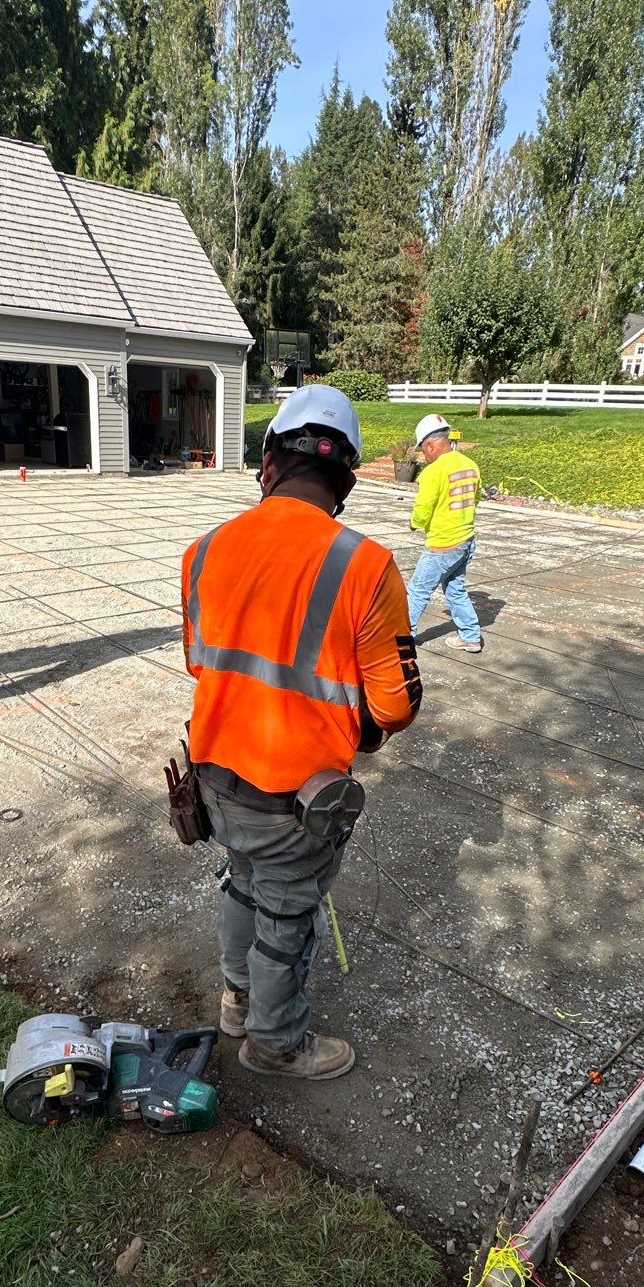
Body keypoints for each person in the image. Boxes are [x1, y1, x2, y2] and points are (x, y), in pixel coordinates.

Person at [181, 385, 423, 1082]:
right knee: (286, 919)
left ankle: (236, 999)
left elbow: (201, 660)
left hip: (215, 775)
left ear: (269, 463)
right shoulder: (365, 565)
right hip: (296, 797)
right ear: (345, 478)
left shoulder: (204, 550)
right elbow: (396, 705)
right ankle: (276, 1043)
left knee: (241, 885)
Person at [405, 412, 484, 652]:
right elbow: (476, 498)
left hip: (442, 543)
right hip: (466, 540)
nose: (424, 455)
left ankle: (401, 639)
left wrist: (415, 523)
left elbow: (423, 506)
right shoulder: (470, 465)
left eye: (423, 449)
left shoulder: (433, 471)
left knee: (418, 590)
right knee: (455, 588)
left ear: (430, 445)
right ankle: (470, 636)